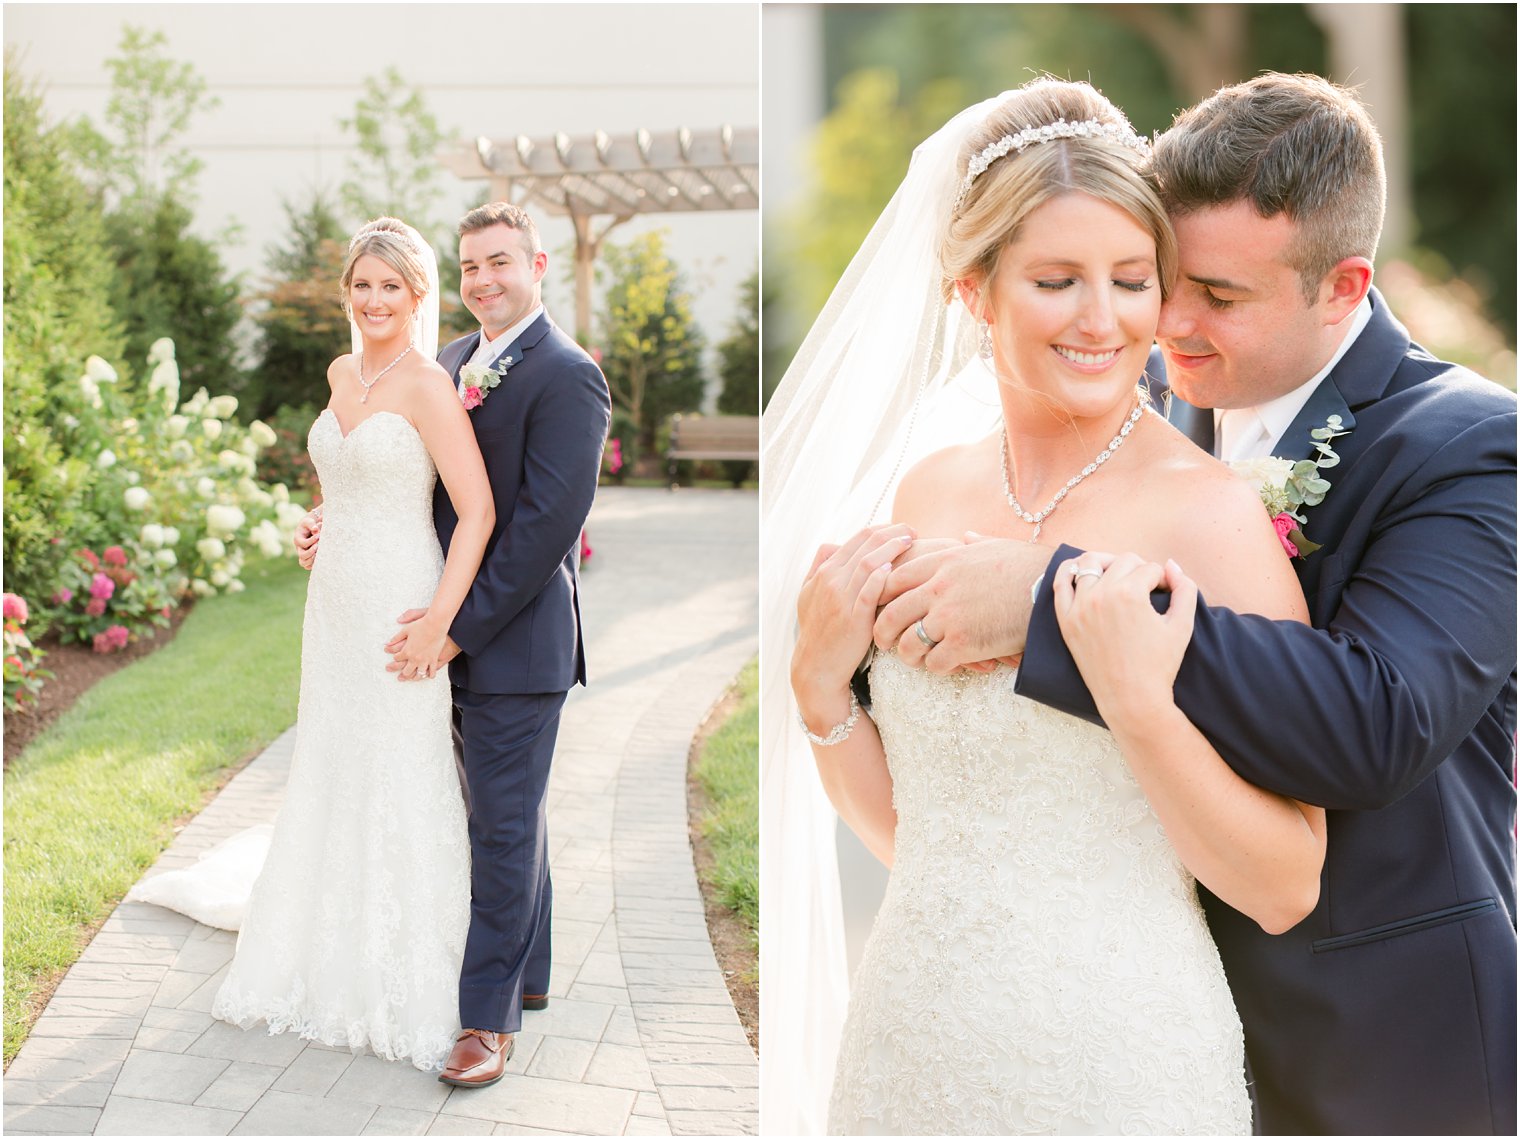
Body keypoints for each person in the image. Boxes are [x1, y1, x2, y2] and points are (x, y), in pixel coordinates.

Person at [873, 74, 1517, 1135]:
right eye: (1161, 276)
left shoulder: (1467, 446)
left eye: (1215, 296)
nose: (1164, 320)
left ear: (1340, 286)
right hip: (1125, 1024)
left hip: (1381, 1054)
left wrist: (1051, 603)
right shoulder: (1143, 402)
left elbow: (1380, 718)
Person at [771, 78, 1326, 1136]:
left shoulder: (1207, 519)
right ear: (972, 290)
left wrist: (1136, 701)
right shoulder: (927, 491)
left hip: (1116, 1054)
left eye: (1129, 279)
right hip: (911, 1033)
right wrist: (814, 687)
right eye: (1054, 279)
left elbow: (1284, 881)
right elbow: (919, 832)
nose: (1100, 318)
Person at [299, 202, 612, 1089]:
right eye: (471, 265)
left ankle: (485, 1023)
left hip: (512, 644)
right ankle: (532, 977)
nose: (484, 280)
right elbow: (415, 488)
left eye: (499, 262)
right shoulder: (447, 363)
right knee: (505, 815)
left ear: (539, 264)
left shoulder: (568, 375)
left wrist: (453, 626)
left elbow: (546, 529)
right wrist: (339, 524)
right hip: (433, 625)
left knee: (501, 827)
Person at [210, 217, 494, 1071]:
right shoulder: (341, 372)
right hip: (332, 602)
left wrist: (440, 622)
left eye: (391, 288)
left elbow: (473, 510)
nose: (375, 301)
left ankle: (402, 970)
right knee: (332, 756)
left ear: (416, 296)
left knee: (399, 765)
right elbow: (354, 476)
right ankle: (315, 953)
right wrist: (321, 519)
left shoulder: (430, 386)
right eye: (362, 286)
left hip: (400, 601)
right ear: (348, 293)